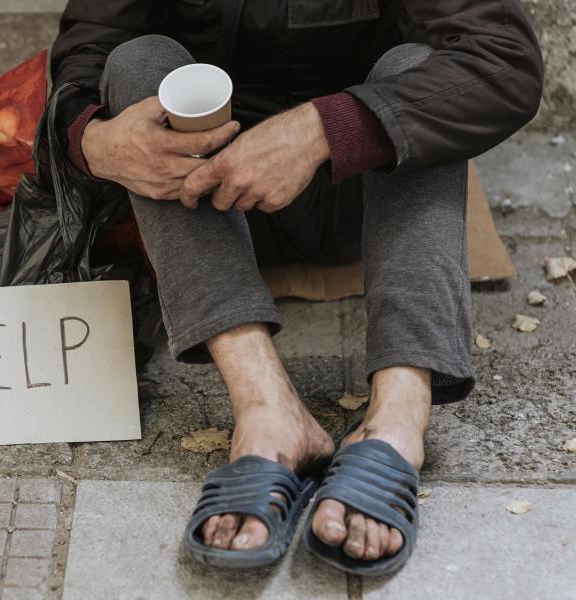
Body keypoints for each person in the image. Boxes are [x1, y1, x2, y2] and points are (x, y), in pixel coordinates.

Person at [50, 0, 543, 574]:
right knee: (140, 62)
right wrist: (93, 141)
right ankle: (267, 409)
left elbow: (506, 62)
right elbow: (86, 54)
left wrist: (319, 129)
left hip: (361, 187)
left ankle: (398, 419)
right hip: (201, 204)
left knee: (420, 68)